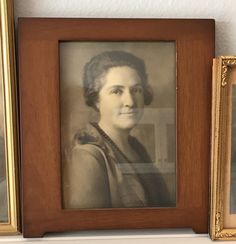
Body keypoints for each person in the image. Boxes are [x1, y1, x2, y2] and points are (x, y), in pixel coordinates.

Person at [63, 50, 173, 209]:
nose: (130, 101)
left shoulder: (137, 149)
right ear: (96, 100)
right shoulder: (88, 156)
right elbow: (91, 227)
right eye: (116, 91)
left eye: (137, 90)